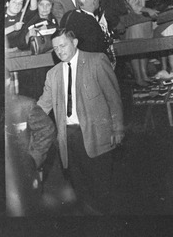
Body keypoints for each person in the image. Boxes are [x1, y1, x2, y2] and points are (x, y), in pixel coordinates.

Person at [35, 28, 124, 215]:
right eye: (55, 48)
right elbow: (43, 105)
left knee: (102, 190)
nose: (59, 51)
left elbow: (113, 98)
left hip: (97, 137)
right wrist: (22, 119)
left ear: (74, 43)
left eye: (63, 45)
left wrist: (117, 129)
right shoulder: (53, 74)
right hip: (68, 140)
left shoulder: (97, 61)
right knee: (80, 191)